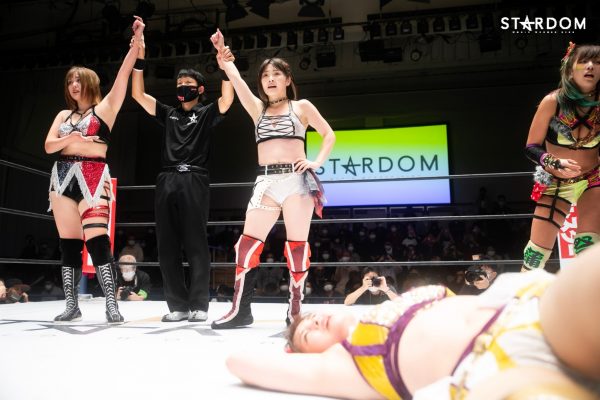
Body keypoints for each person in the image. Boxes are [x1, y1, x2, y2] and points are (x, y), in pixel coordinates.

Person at [224, 242, 600, 400]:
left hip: (523, 309)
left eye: (311, 316)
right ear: (308, 354)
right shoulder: (342, 363)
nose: (314, 321)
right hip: (492, 367)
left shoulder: (387, 307)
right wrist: (294, 351)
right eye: (307, 333)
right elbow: (238, 362)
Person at [209, 29, 335, 329]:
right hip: (265, 182)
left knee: (297, 248)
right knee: (246, 246)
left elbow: (328, 134)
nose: (270, 79)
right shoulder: (258, 108)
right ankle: (240, 310)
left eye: (277, 74)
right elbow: (237, 82)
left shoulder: (302, 107)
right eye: (265, 75)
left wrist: (316, 161)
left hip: (297, 183)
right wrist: (224, 57)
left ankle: (295, 312)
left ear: (288, 79)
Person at [44, 17, 145, 324]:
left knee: (98, 242)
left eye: (78, 80)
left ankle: (112, 305)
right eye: (69, 81)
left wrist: (136, 44)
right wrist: (72, 138)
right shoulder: (63, 114)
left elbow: (123, 75)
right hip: (62, 177)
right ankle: (71, 305)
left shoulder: (105, 109)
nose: (73, 85)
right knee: (68, 245)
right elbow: (49, 145)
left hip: (93, 174)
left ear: (89, 82)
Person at [131, 31, 235, 322]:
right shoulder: (168, 113)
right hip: (166, 179)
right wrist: (140, 57)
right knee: (166, 245)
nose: (182, 88)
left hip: (194, 178)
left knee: (195, 243)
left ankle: (199, 305)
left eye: (188, 85)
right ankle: (177, 306)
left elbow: (227, 99)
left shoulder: (206, 113)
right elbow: (137, 95)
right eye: (179, 85)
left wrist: (223, 64)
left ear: (200, 89)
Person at [522, 42, 600, 271]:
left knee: (588, 249)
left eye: (597, 62)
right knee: (535, 256)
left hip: (592, 180)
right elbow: (531, 147)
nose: (590, 66)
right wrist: (555, 162)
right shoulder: (552, 102)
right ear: (570, 69)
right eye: (583, 61)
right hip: (555, 181)